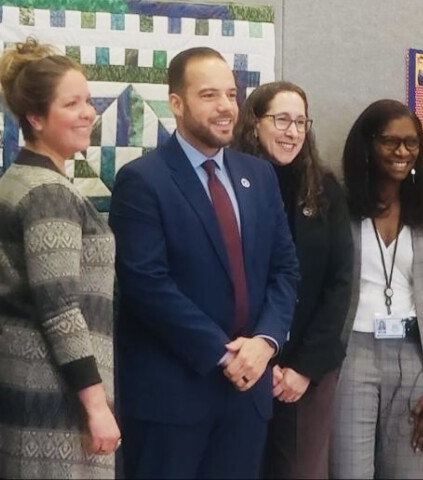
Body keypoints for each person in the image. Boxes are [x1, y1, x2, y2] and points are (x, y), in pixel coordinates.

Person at [109, 47, 299, 479]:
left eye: (231, 95)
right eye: (210, 95)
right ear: (176, 103)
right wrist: (223, 354)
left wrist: (266, 342)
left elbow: (284, 270)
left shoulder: (260, 175)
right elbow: (146, 284)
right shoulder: (142, 180)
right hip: (172, 399)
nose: (226, 107)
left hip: (247, 399)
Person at [0, 37, 120, 479]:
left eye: (89, 101)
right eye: (72, 104)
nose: (88, 113)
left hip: (20, 381)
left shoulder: (16, 180)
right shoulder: (48, 193)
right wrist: (96, 405)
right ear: (36, 119)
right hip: (53, 398)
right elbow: (60, 309)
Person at [232, 81, 353, 479]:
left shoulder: (325, 191)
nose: (293, 131)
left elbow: (339, 284)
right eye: (282, 119)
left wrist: (301, 368)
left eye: (301, 121)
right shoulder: (230, 185)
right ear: (253, 124)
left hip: (308, 368)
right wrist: (262, 358)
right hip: (243, 363)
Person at [330, 99, 423, 479]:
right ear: (367, 144)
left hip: (417, 357)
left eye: (411, 143)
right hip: (353, 356)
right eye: (390, 142)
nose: (403, 152)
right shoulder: (339, 204)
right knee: (350, 471)